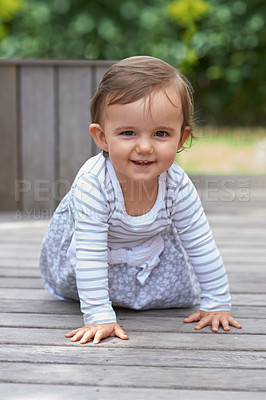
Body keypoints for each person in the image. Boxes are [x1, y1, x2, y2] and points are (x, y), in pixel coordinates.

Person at [40, 56, 242, 344]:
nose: (144, 147)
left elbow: (200, 243)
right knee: (81, 286)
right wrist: (99, 316)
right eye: (128, 133)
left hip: (150, 259)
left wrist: (216, 302)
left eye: (161, 133)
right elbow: (90, 254)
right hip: (91, 265)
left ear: (181, 139)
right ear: (102, 137)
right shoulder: (93, 184)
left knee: (178, 295)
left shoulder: (177, 184)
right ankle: (102, 302)